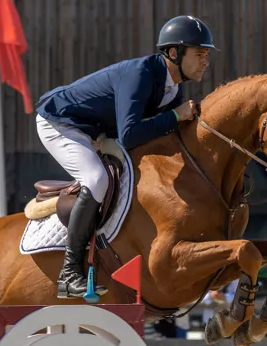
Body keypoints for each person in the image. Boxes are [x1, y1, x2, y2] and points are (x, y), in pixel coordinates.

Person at [34, 15, 216, 299]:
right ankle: (69, 274)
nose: (206, 61)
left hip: (96, 131)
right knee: (96, 180)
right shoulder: (141, 74)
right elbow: (131, 134)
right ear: (173, 53)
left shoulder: (173, 87)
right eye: (200, 54)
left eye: (206, 55)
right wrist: (173, 116)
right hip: (60, 124)